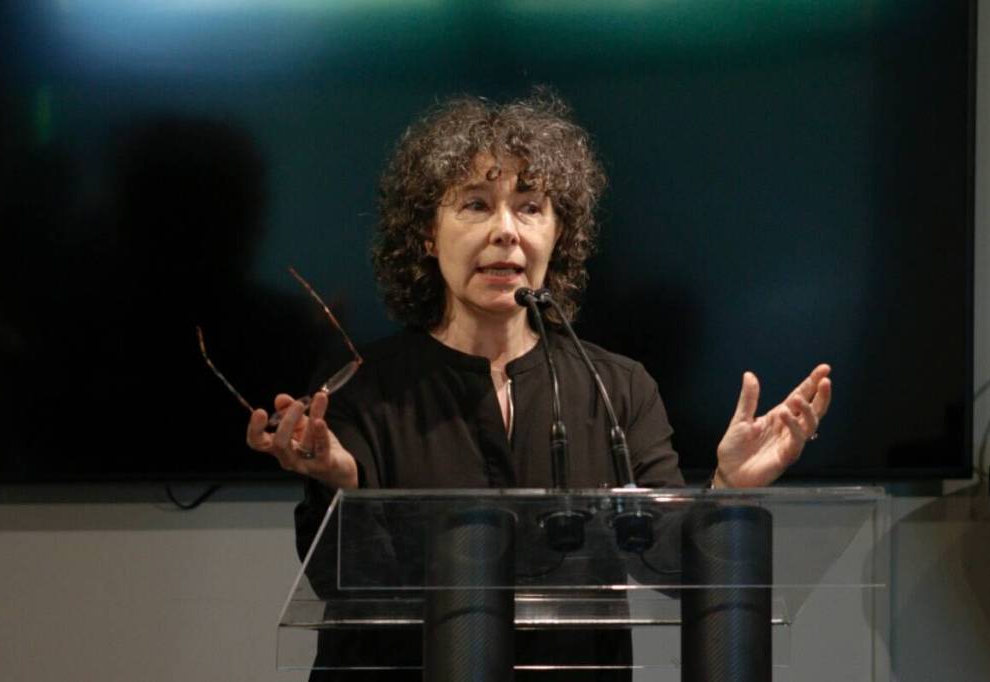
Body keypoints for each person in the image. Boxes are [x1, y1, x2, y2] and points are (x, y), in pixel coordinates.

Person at [245, 92, 832, 678]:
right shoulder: (361, 390)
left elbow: (665, 564)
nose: (506, 231)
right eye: (476, 205)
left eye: (530, 208)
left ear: (558, 234)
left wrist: (727, 487)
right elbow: (346, 584)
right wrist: (342, 485)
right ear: (426, 232)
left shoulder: (618, 387)